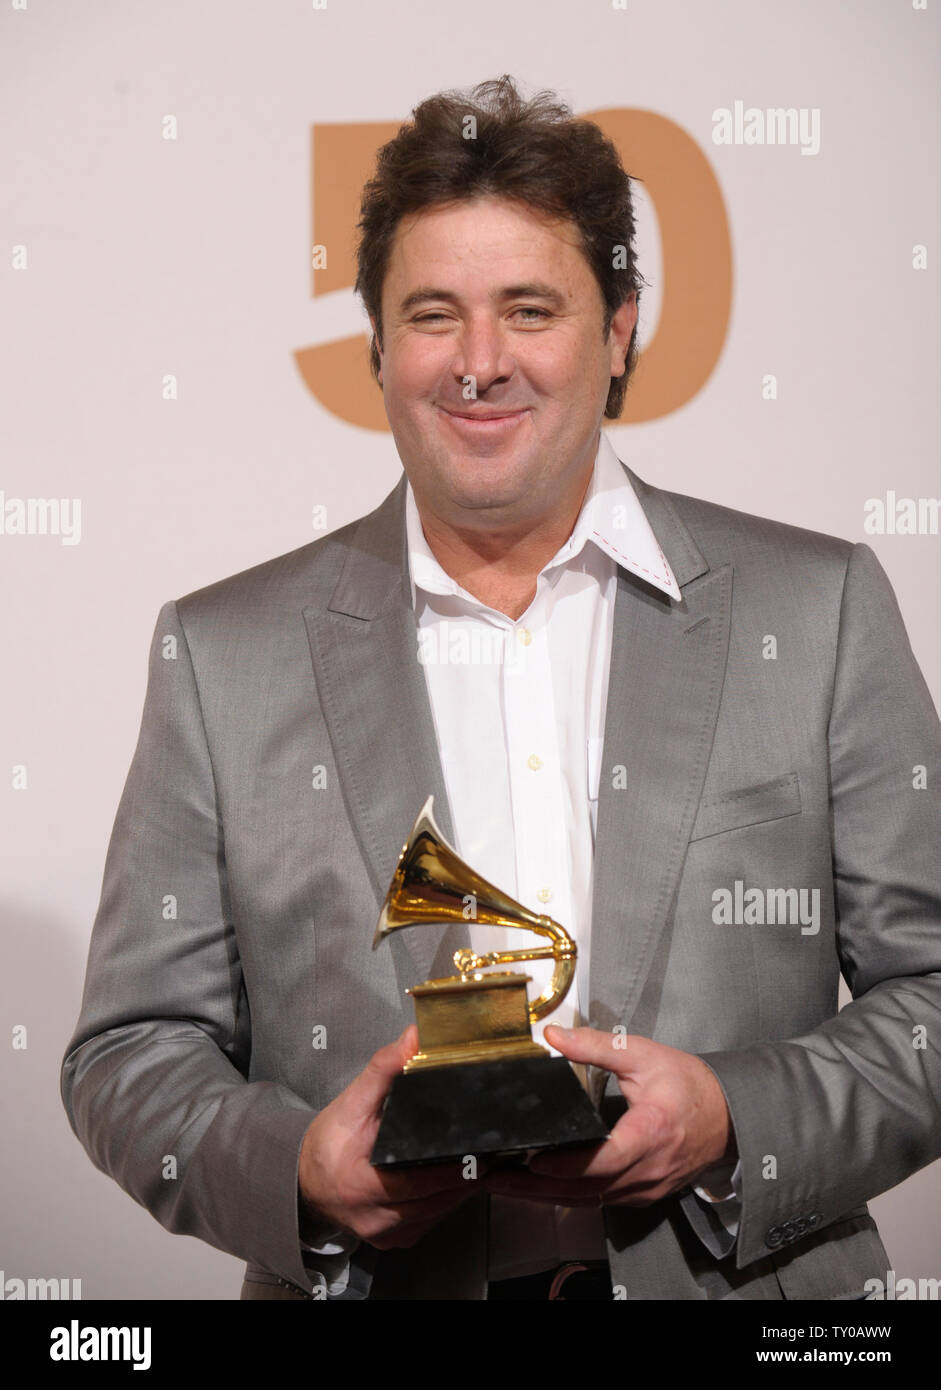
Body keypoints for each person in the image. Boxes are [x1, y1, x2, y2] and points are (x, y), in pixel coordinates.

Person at [61, 75, 941, 1301]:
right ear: (375, 343)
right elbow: (127, 1054)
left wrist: (735, 1117)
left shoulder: (819, 607)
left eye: (529, 308)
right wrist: (299, 1171)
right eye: (433, 314)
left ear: (619, 327)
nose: (479, 364)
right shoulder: (222, 653)